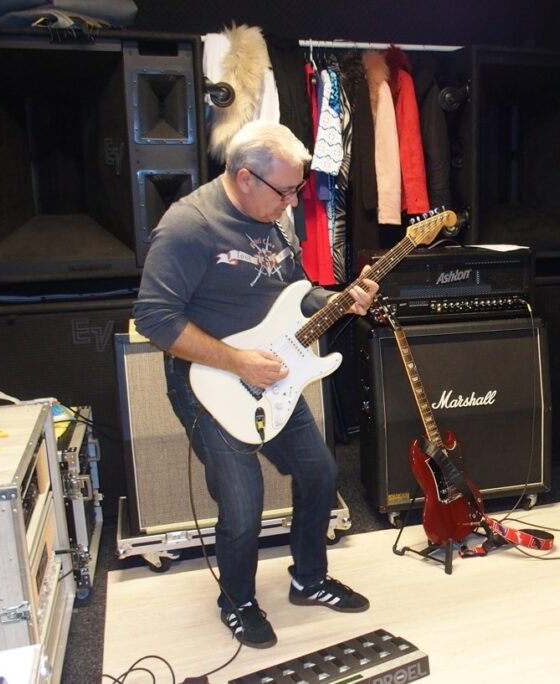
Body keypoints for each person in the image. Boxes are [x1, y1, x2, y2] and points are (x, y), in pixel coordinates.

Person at [133, 120, 378, 649]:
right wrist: (239, 362)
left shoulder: (276, 218)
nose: (292, 203)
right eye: (284, 191)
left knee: (320, 473)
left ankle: (308, 579)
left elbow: (295, 292)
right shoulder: (188, 226)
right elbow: (153, 319)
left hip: (272, 375)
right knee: (242, 501)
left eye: (296, 191)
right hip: (209, 382)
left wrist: (339, 299)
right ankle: (238, 601)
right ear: (245, 177)